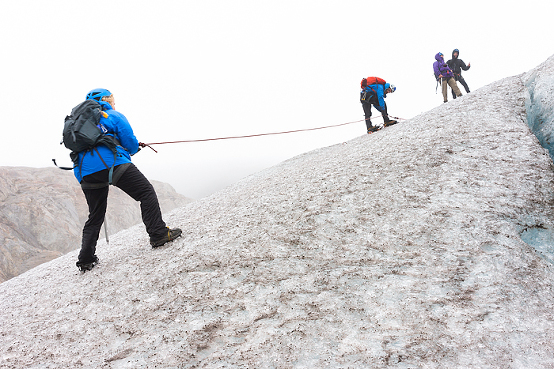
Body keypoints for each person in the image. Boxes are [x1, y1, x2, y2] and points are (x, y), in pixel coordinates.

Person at [74, 88, 182, 272]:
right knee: (145, 192)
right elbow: (130, 143)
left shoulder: (78, 122)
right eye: (113, 99)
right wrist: (131, 149)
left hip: (84, 171)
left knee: (95, 215)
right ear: (106, 100)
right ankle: (158, 234)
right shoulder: (111, 115)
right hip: (112, 163)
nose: (115, 103)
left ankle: (86, 259)